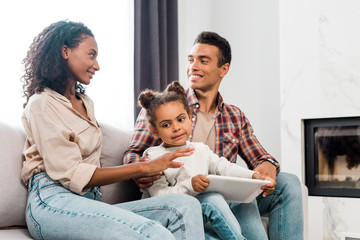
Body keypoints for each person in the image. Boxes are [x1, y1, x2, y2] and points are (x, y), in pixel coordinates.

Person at [20, 20, 205, 240]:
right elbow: (72, 174)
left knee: (185, 205)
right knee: (152, 233)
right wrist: (142, 168)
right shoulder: (41, 103)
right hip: (52, 200)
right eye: (91, 55)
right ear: (65, 51)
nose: (97, 65)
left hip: (89, 201)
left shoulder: (86, 103)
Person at [123, 31, 304, 240]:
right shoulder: (165, 108)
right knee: (228, 199)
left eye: (203, 60)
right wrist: (142, 170)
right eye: (191, 60)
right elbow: (134, 153)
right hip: (190, 195)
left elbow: (259, 158)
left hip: (228, 195)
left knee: (288, 182)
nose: (193, 66)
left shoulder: (235, 116)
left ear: (223, 69)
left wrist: (265, 168)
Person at [137, 81, 275, 240]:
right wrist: (190, 185)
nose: (176, 127)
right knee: (212, 199)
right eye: (166, 124)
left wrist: (253, 177)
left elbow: (225, 167)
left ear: (190, 118)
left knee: (244, 200)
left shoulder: (200, 149)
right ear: (155, 131)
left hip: (204, 211)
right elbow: (159, 196)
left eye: (181, 120)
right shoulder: (154, 157)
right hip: (177, 212)